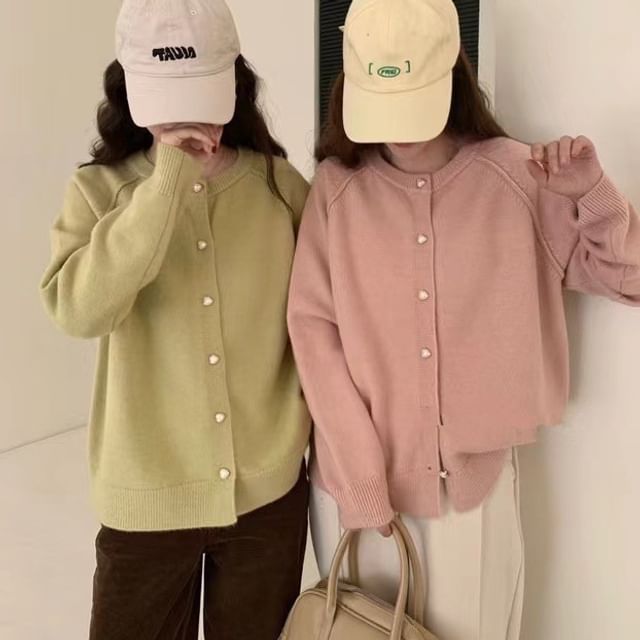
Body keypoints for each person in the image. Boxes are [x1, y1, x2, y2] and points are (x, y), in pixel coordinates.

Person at [287, 1, 640, 639]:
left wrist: (592, 193)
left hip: (472, 497)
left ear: (453, 73)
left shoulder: (518, 177)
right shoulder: (336, 190)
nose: (399, 131)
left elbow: (629, 278)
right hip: (359, 494)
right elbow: (313, 334)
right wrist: (362, 475)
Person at [40, 1, 311, 638]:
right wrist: (164, 185)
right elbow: (78, 310)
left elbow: (324, 317)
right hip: (145, 503)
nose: (185, 115)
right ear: (129, 89)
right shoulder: (99, 191)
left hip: (268, 499)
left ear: (234, 84)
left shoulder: (280, 187)